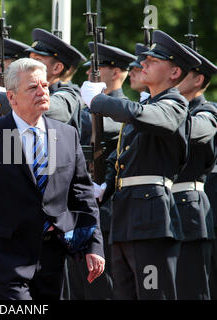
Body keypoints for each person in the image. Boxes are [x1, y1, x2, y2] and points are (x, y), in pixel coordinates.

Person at [0, 57, 105, 300]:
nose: (42, 92)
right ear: (11, 97)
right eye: (33, 88)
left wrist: (93, 246)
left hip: (53, 257)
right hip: (3, 258)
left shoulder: (66, 135)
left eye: (45, 86)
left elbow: (83, 196)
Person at [80, 29, 201, 299]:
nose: (143, 63)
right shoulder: (145, 109)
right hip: (126, 217)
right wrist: (104, 186)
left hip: (151, 219)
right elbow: (122, 157)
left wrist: (100, 102)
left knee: (152, 293)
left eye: (154, 61)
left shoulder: (174, 104)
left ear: (174, 73)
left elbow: (145, 116)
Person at [72, 42, 135, 300]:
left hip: (107, 213)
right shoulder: (86, 110)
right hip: (79, 209)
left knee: (104, 288)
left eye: (98, 69)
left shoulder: (125, 112)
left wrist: (96, 105)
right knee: (79, 288)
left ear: (117, 72)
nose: (89, 74)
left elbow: (109, 130)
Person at [175, 44, 217, 300]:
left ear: (198, 79)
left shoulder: (207, 112)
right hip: (166, 213)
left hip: (190, 212)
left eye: (181, 72)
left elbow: (187, 130)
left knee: (192, 289)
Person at [0, 28, 87, 133]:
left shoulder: (70, 94)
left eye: (37, 60)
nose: (30, 64)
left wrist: (0, 97)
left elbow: (43, 109)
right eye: (30, 59)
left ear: (57, 68)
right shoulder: (26, 91)